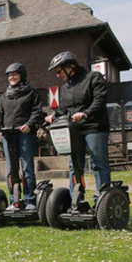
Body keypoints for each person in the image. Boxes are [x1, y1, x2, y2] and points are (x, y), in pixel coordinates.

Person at [46, 51, 110, 197]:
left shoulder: (93, 78)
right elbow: (64, 109)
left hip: (94, 127)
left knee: (98, 164)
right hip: (74, 130)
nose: (57, 75)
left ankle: (102, 199)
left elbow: (100, 100)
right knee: (74, 166)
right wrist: (54, 115)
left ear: (70, 67)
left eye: (58, 71)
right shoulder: (65, 88)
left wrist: (86, 113)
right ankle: (76, 199)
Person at [0, 63, 45, 210]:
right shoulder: (5, 95)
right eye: (9, 75)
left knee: (27, 167)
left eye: (14, 74)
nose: (11, 78)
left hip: (25, 134)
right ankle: (15, 200)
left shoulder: (31, 92)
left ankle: (30, 200)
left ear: (22, 76)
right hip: (9, 134)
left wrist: (30, 125)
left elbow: (37, 111)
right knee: (11, 170)